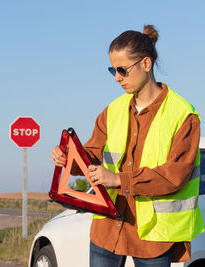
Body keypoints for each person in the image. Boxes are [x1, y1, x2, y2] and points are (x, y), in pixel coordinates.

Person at [51, 25, 204, 267]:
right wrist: (70, 158)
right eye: (113, 69)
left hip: (153, 237)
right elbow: (92, 156)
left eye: (122, 70)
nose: (117, 78)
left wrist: (120, 180)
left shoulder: (183, 114)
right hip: (107, 228)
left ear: (146, 64)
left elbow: (175, 175)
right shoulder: (113, 110)